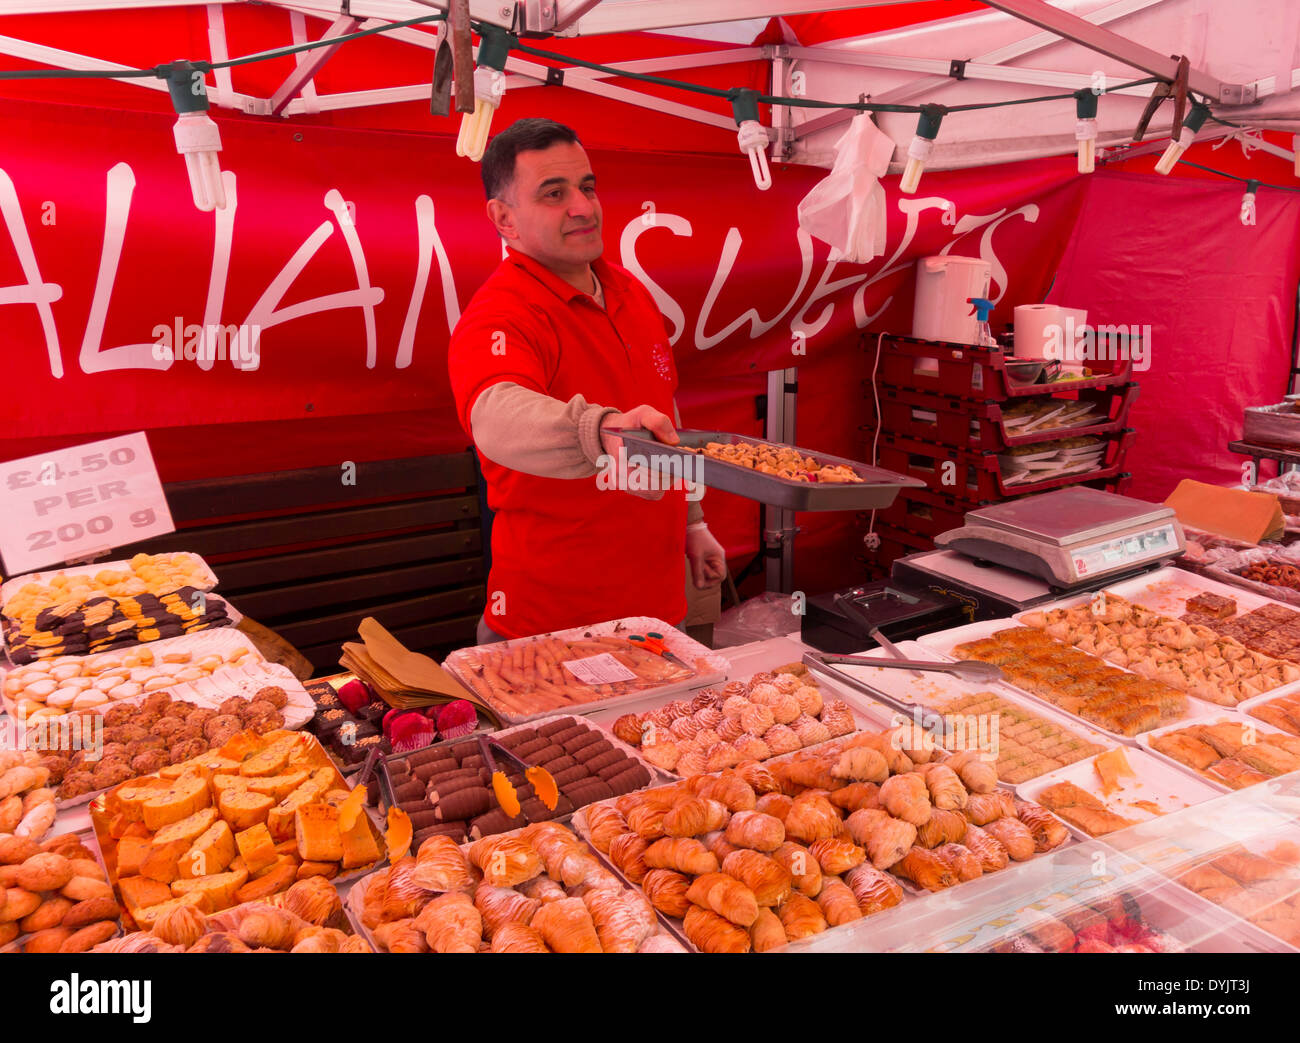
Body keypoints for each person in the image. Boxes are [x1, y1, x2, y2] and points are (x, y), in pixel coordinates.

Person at [448, 117, 727, 644]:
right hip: (551, 631)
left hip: (658, 613)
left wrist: (693, 521)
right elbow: (495, 416)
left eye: (587, 186)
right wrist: (601, 433)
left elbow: (665, 415)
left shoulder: (629, 291)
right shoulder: (500, 314)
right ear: (504, 218)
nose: (583, 206)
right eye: (554, 193)